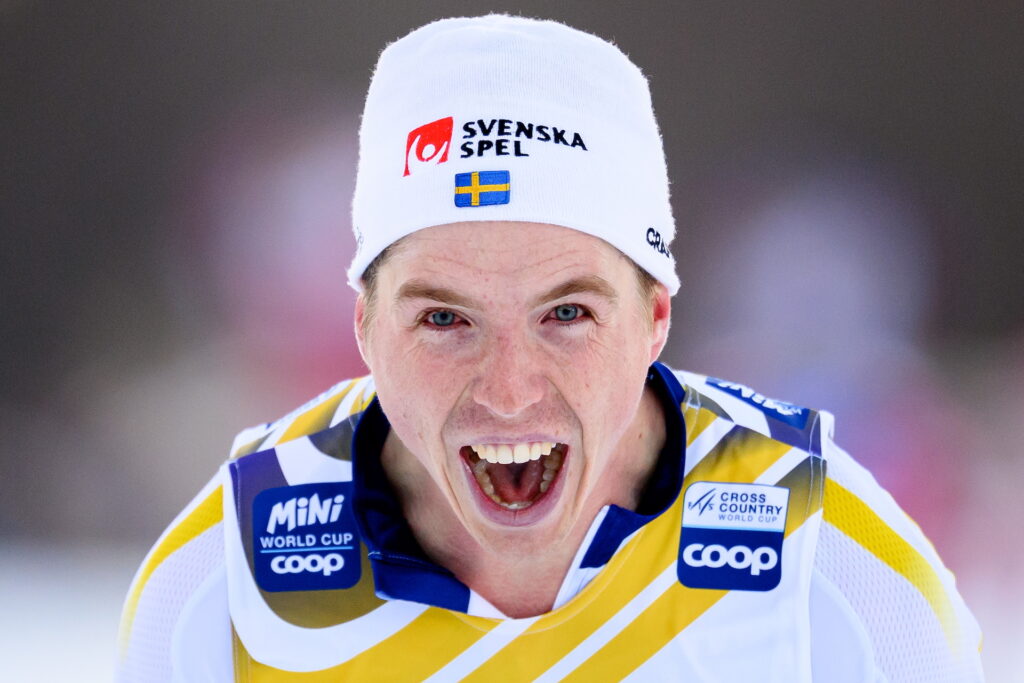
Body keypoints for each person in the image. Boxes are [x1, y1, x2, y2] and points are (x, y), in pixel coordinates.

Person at [116, 15, 983, 682]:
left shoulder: (829, 561)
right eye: (445, 320)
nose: (509, 389)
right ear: (364, 330)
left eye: (566, 313)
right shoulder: (228, 581)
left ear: (654, 320)